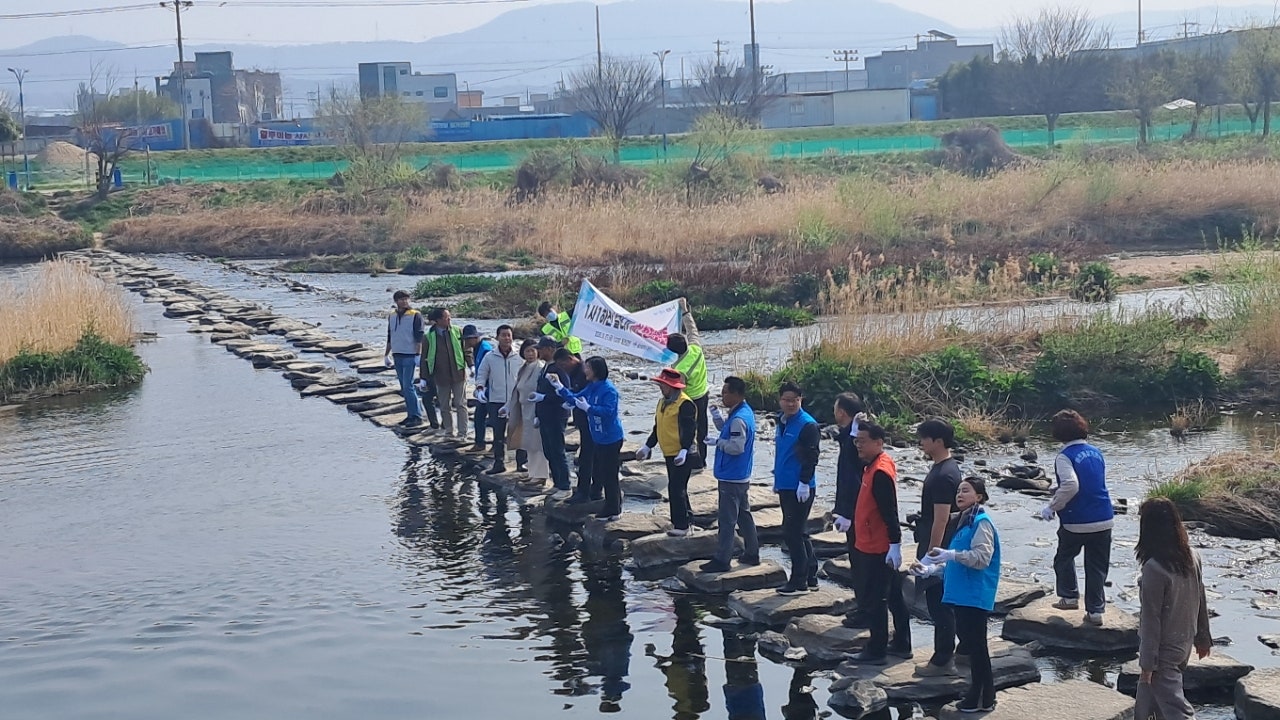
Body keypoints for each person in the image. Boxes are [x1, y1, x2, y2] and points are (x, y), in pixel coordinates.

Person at [918, 477, 1001, 714]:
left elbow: (981, 558)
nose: (959, 495)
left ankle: (978, 696)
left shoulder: (981, 523)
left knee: (976, 647)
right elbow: (955, 561)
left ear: (980, 497)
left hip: (974, 595)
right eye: (958, 491)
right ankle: (986, 696)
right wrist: (931, 569)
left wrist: (951, 555)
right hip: (963, 595)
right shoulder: (965, 523)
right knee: (975, 646)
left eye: (966, 490)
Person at [1134, 497, 1213, 720]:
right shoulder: (1192, 556)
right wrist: (1203, 638)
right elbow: (1201, 598)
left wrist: (1147, 666)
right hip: (1184, 643)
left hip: (1163, 653)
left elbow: (1151, 620)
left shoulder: (1154, 569)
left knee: (1178, 712)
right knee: (1161, 709)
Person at [1041, 409, 1114, 626]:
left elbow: (1072, 485)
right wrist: (1060, 488)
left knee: (1063, 558)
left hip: (1077, 521)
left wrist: (1052, 506)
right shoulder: (1096, 452)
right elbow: (1091, 482)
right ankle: (1095, 611)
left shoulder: (1064, 456)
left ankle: (1070, 596)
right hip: (1104, 517)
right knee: (1097, 566)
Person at [848, 421, 912, 664]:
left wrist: (895, 544)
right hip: (873, 542)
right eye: (856, 441)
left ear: (878, 443)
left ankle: (876, 650)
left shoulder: (880, 473)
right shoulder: (873, 465)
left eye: (862, 441)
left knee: (876, 599)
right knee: (894, 595)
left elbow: (890, 511)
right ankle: (902, 642)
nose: (858, 446)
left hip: (877, 546)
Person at [913, 417, 963, 677]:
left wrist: (931, 555)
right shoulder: (945, 468)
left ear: (938, 441)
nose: (921, 442)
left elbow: (942, 518)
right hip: (944, 544)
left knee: (938, 604)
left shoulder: (944, 475)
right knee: (946, 602)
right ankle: (958, 652)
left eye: (924, 438)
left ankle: (943, 660)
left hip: (940, 547)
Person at [548, 356, 624, 520]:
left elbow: (608, 412)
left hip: (610, 438)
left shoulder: (608, 390)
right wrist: (559, 386)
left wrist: (589, 408)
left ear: (596, 370)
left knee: (609, 474)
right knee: (602, 471)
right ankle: (611, 507)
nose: (584, 370)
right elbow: (574, 398)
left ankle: (613, 509)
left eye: (588, 368)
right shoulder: (592, 386)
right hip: (598, 437)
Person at [699, 376, 760, 573]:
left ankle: (722, 559)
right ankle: (752, 553)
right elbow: (728, 430)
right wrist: (717, 418)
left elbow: (736, 447)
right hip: (740, 474)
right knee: (744, 515)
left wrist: (717, 443)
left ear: (735, 394)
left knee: (727, 520)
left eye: (725, 392)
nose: (722, 395)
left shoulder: (739, 419)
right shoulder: (743, 412)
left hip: (731, 477)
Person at [636, 368, 699, 537]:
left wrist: (684, 449)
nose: (660, 387)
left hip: (683, 454)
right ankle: (689, 520)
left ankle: (681, 525)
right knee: (679, 487)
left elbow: (689, 429)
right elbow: (658, 428)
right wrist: (648, 446)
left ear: (671, 386)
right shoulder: (662, 402)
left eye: (663, 384)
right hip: (670, 453)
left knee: (675, 488)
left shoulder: (685, 404)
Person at [772, 382, 820, 596]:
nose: (790, 403)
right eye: (786, 399)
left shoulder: (807, 425)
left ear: (801, 400)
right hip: (785, 484)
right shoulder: (782, 421)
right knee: (799, 531)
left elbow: (812, 456)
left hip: (799, 487)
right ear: (780, 400)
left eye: (795, 399)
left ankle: (798, 581)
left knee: (791, 533)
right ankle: (810, 576)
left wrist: (804, 482)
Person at [829, 393, 868, 628]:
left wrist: (846, 512)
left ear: (841, 412)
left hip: (857, 510)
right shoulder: (849, 435)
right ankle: (861, 606)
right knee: (856, 560)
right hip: (851, 508)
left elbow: (852, 475)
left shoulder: (857, 439)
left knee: (861, 562)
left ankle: (866, 611)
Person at [476, 325, 521, 474]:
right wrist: (480, 388)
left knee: (518, 432)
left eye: (509, 335)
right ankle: (499, 462)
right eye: (503, 335)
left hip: (516, 400)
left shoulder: (520, 355)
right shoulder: (489, 356)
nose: (507, 338)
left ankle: (521, 463)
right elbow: (482, 374)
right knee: (498, 434)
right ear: (497, 337)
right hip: (496, 400)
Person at [501, 339, 548, 481]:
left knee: (537, 444)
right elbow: (517, 390)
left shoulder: (540, 367)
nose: (530, 354)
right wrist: (508, 406)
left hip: (535, 410)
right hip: (524, 410)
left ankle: (540, 475)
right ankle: (532, 473)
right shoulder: (524, 367)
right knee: (528, 443)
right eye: (527, 351)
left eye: (533, 351)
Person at [554, 349, 597, 504]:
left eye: (562, 364)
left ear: (570, 359)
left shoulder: (584, 373)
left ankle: (586, 491)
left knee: (587, 458)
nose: (561, 368)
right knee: (588, 457)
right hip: (583, 421)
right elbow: (576, 395)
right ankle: (591, 490)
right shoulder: (574, 372)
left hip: (591, 422)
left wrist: (562, 390)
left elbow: (580, 395)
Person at [533, 336, 573, 500]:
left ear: (549, 349)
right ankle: (557, 483)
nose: (538, 351)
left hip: (556, 415)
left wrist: (544, 398)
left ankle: (565, 485)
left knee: (557, 450)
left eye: (541, 348)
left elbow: (565, 394)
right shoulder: (545, 367)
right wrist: (537, 413)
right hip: (544, 415)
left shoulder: (559, 368)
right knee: (549, 450)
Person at [423, 307, 473, 438]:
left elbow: (466, 350)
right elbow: (424, 358)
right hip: (440, 376)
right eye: (446, 317)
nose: (449, 319)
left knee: (461, 404)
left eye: (449, 316)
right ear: (438, 320)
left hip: (458, 373)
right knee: (444, 405)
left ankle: (462, 433)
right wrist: (424, 378)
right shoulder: (429, 337)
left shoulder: (457, 331)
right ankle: (449, 431)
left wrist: (471, 366)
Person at [382, 290, 425, 428]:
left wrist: (418, 355)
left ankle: (417, 416)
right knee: (404, 387)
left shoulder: (415, 315)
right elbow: (390, 335)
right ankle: (410, 414)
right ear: (396, 301)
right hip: (397, 354)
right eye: (401, 299)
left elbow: (419, 337)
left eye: (406, 299)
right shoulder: (392, 316)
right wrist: (386, 355)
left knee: (408, 386)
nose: (404, 301)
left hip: (410, 355)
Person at [667, 332, 709, 470]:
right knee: (703, 430)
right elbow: (693, 330)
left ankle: (694, 462)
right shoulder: (696, 348)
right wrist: (685, 312)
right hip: (703, 395)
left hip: (690, 401)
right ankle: (702, 460)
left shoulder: (680, 369)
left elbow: (680, 389)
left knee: (690, 431)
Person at [462, 325, 495, 452]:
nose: (465, 342)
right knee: (479, 417)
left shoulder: (486, 349)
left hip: (490, 388)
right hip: (483, 388)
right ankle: (480, 443)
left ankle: (495, 446)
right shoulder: (477, 348)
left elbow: (490, 370)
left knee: (492, 418)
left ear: (474, 338)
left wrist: (484, 388)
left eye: (467, 339)